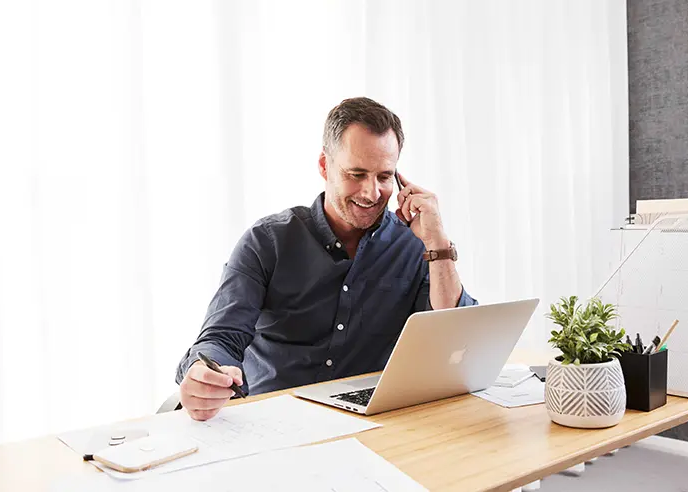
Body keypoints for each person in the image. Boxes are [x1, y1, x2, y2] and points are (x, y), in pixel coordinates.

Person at [175, 97, 478, 421]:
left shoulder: (415, 246)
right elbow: (220, 338)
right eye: (356, 174)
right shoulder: (267, 241)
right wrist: (204, 373)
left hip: (370, 427)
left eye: (384, 177)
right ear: (324, 166)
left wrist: (438, 243)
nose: (371, 193)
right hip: (273, 423)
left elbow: (455, 340)